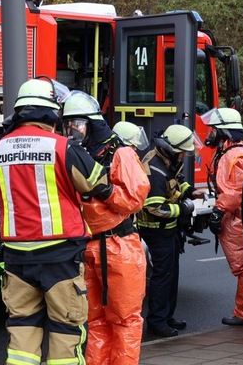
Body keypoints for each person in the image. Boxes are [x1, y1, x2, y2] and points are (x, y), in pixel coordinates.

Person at [0, 78, 114, 365]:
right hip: (60, 256)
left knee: (22, 332)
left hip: (17, 257)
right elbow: (97, 183)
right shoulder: (62, 147)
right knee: (65, 332)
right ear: (51, 113)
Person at [61, 93, 151, 365]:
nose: (73, 131)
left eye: (77, 124)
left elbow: (134, 200)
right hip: (89, 246)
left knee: (124, 320)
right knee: (96, 320)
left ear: (93, 123)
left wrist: (105, 190)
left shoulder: (120, 152)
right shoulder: (79, 154)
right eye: (68, 126)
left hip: (119, 246)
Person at [138, 124, 205, 337]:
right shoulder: (155, 170)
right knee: (162, 276)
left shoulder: (166, 160)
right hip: (157, 230)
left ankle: (167, 316)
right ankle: (157, 321)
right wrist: (183, 208)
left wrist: (191, 192)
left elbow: (176, 182)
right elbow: (155, 207)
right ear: (172, 149)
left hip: (168, 230)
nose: (185, 154)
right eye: (183, 150)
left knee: (171, 274)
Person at [202, 107, 243, 326]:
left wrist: (218, 211)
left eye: (213, 130)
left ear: (224, 132)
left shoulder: (236, 155)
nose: (210, 134)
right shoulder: (231, 153)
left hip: (236, 218)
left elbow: (235, 190)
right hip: (235, 216)